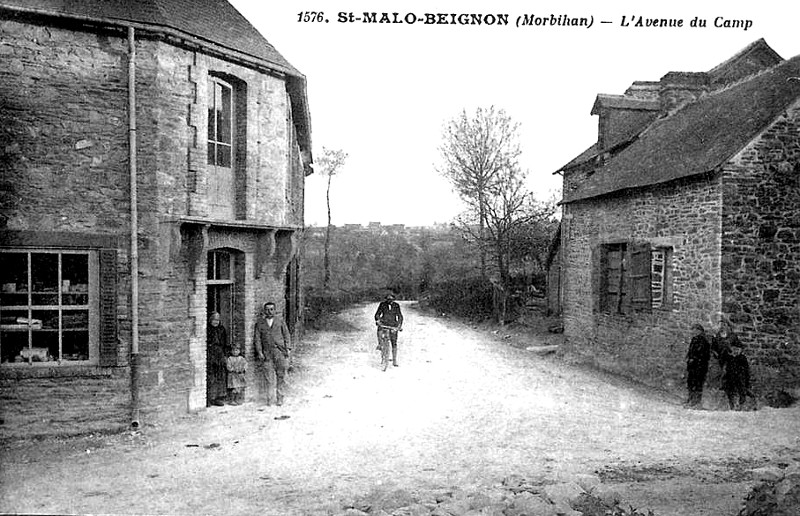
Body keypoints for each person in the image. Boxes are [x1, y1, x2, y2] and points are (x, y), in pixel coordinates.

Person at [253, 301, 292, 406]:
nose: (269, 312)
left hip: (280, 352)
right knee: (269, 378)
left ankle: (280, 398)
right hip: (267, 354)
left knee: (281, 376)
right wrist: (260, 352)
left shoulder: (280, 321)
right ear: (264, 311)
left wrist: (287, 348)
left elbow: (287, 335)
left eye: (271, 309)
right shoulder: (260, 323)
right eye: (267, 309)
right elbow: (257, 339)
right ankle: (269, 398)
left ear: (275, 310)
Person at [685, 323, 711, 408]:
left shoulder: (704, 341)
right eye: (693, 330)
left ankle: (696, 402)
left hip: (700, 366)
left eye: (696, 330)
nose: (694, 332)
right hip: (692, 366)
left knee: (698, 383)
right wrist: (688, 358)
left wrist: (695, 359)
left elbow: (704, 355)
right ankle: (690, 399)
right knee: (690, 382)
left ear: (700, 331)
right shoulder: (694, 340)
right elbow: (690, 351)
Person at [374, 292, 403, 367]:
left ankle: (394, 360)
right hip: (384, 324)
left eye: (391, 299)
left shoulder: (396, 305)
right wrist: (378, 320)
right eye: (388, 299)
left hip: (393, 325)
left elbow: (400, 316)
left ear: (394, 299)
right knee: (380, 333)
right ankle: (380, 345)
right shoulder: (382, 304)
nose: (390, 300)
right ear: (386, 299)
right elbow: (377, 314)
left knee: (394, 342)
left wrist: (399, 325)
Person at [207, 312, 229, 407]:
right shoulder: (207, 329)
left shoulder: (221, 329)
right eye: (214, 320)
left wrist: (224, 355)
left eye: (217, 320)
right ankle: (208, 398)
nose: (216, 322)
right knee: (210, 376)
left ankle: (217, 397)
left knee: (219, 376)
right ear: (210, 320)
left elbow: (224, 343)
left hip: (219, 353)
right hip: (210, 353)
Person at [722, 342, 751, 411]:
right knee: (730, 392)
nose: (736, 351)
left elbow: (746, 370)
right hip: (730, 378)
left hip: (740, 378)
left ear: (741, 350)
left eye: (738, 349)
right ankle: (732, 405)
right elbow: (725, 368)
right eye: (734, 349)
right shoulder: (729, 358)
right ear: (731, 349)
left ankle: (741, 406)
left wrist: (747, 380)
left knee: (741, 392)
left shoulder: (742, 358)